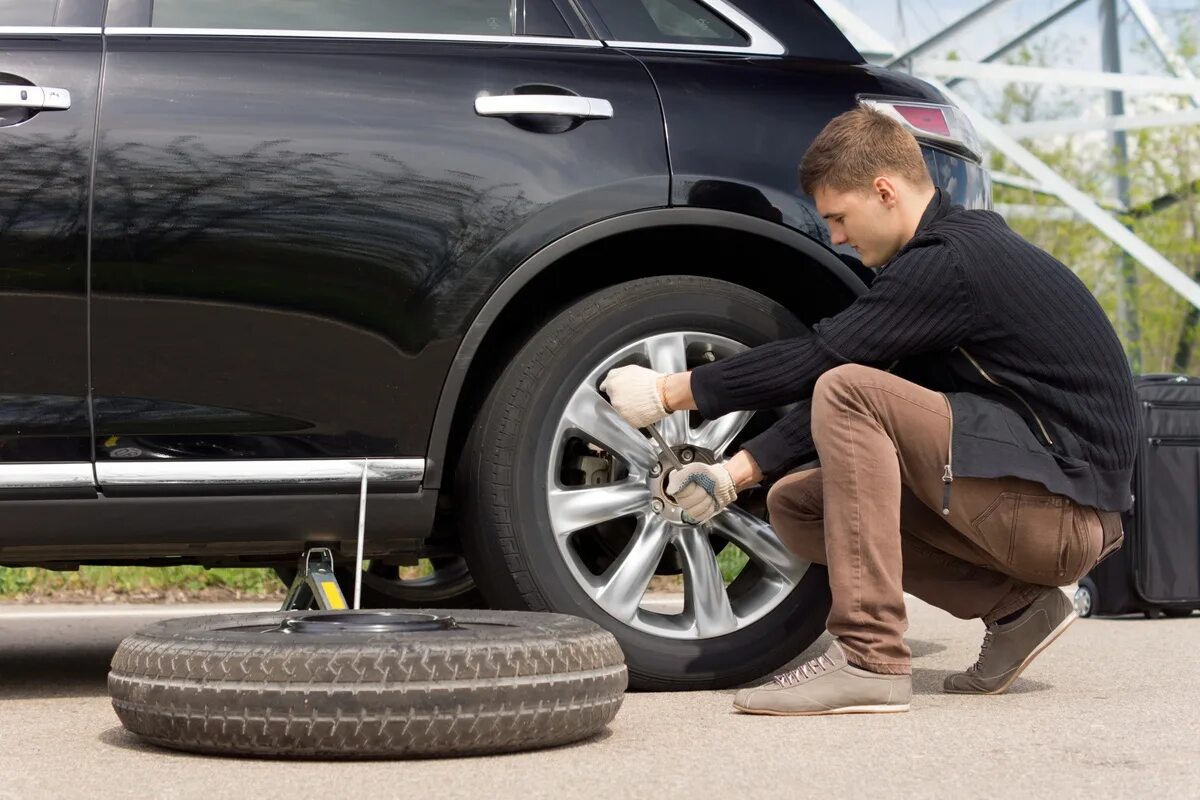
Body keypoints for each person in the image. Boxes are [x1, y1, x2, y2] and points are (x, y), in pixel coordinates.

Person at [600, 106, 1136, 716]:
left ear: (884, 191)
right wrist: (735, 474)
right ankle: (1017, 609)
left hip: (1065, 513)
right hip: (1042, 500)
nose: (837, 238)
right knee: (798, 507)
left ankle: (870, 657)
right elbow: (879, 384)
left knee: (846, 386)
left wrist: (673, 390)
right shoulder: (946, 265)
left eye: (837, 217)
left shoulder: (949, 264)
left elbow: (824, 363)